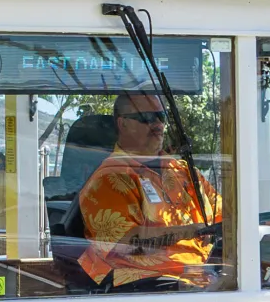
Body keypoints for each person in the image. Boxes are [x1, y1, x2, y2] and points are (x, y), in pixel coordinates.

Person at [75, 91, 224, 290]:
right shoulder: (110, 177)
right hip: (143, 285)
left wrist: (257, 222)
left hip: (199, 277)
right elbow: (123, 244)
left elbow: (224, 215)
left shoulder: (185, 172)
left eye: (161, 117)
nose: (158, 124)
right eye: (147, 118)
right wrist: (188, 231)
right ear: (122, 123)